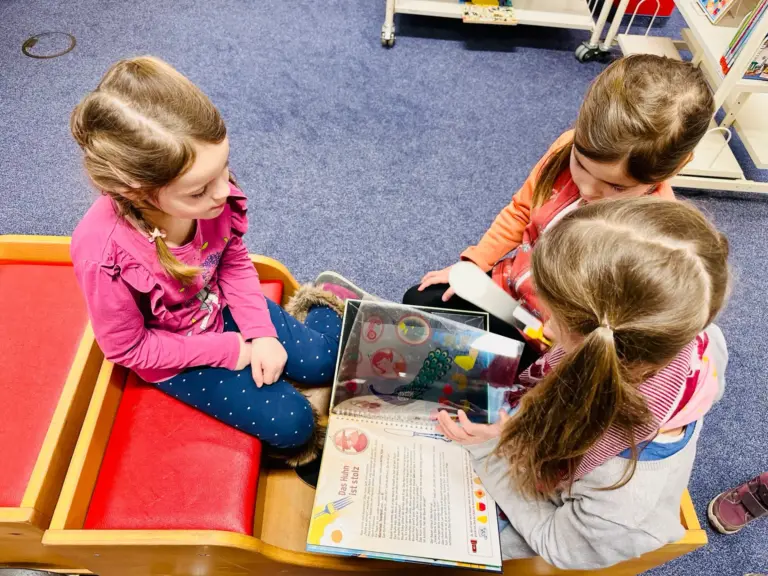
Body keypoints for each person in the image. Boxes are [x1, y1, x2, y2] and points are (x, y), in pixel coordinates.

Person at [70, 56, 364, 466]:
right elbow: (130, 349)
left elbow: (232, 260)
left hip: (222, 308)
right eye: (200, 190)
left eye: (224, 168)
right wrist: (229, 350)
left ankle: (320, 302)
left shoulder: (207, 189)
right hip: (177, 351)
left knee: (326, 361)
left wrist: (261, 333)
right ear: (136, 191)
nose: (224, 192)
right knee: (294, 425)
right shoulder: (103, 255)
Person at [436, 197, 730, 570]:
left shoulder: (623, 507)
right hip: (548, 458)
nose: (545, 329)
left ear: (598, 341)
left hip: (545, 516)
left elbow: (557, 544)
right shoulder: (695, 333)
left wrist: (490, 456)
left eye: (555, 319)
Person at [404, 55, 714, 370]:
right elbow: (521, 211)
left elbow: (622, 328)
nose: (588, 189)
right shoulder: (567, 145)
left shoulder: (656, 234)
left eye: (616, 187)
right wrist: (475, 264)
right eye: (580, 164)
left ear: (677, 167)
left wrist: (565, 343)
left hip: (555, 339)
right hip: (509, 294)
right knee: (417, 305)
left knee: (470, 367)